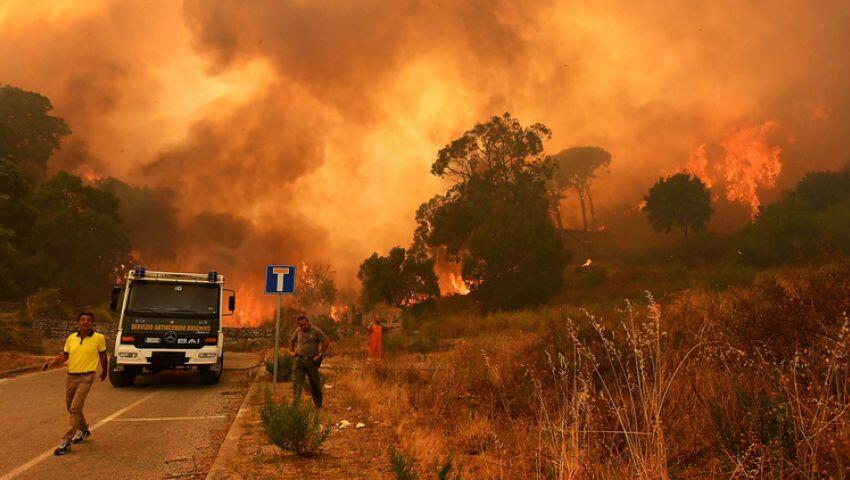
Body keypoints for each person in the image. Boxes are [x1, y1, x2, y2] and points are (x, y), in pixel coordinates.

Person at [42, 312, 108, 456]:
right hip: (71, 376)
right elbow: (65, 356)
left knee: (75, 407)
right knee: (71, 407)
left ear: (92, 323)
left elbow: (102, 355)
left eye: (88, 320)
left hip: (87, 376)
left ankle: (66, 441)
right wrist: (53, 362)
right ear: (78, 322)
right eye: (82, 320)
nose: (85, 322)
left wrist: (104, 371)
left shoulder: (99, 338)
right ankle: (84, 429)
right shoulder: (71, 338)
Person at [288, 314, 329, 408]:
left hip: (311, 361)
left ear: (308, 322)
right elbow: (291, 340)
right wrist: (291, 351)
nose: (302, 327)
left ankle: (318, 404)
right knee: (297, 382)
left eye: (304, 325)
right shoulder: (298, 331)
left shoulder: (315, 331)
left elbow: (326, 340)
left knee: (314, 383)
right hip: (299, 360)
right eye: (300, 325)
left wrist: (320, 354)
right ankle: (295, 404)